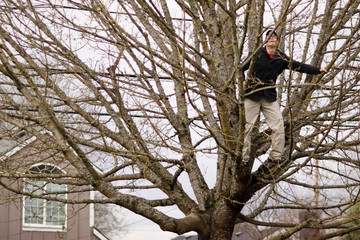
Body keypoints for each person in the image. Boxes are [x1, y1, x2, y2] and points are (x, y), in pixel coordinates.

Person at [242, 30, 327, 165]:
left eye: (274, 37)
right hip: (252, 95)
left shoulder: (281, 58)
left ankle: (275, 156)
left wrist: (317, 70)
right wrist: (242, 81)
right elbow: (241, 68)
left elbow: (298, 66)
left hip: (269, 96)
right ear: (265, 40)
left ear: (277, 41)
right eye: (269, 37)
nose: (271, 39)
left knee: (278, 125)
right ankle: (244, 158)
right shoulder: (256, 53)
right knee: (247, 127)